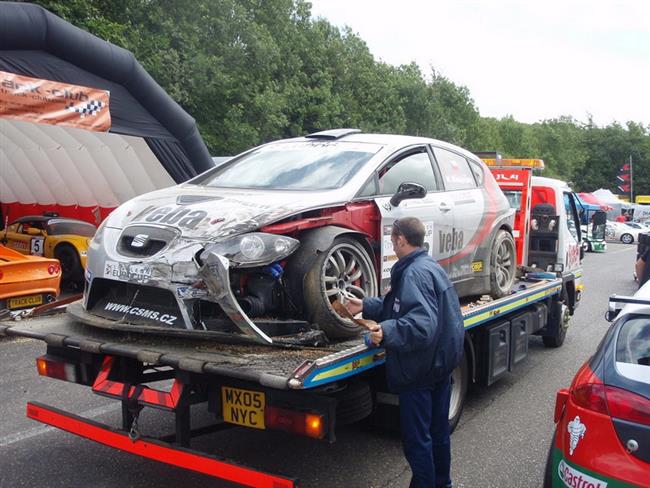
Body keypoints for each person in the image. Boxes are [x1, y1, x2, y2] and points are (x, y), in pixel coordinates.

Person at [344, 217, 464, 488]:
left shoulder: (413, 273)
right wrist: (364, 305)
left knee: (417, 442)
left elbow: (422, 324)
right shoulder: (427, 265)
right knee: (438, 433)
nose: (392, 244)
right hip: (438, 366)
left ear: (400, 240)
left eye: (392, 239)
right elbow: (400, 306)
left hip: (419, 371)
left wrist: (386, 332)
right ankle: (442, 484)